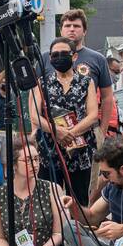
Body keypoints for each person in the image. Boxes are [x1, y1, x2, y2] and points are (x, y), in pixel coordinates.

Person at [30, 35, 99, 210]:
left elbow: (93, 115)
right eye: (54, 55)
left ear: (74, 56)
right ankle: (55, 235)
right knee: (49, 200)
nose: (59, 57)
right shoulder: (42, 82)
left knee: (79, 202)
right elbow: (34, 115)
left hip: (80, 149)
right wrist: (56, 131)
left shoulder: (86, 81)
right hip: (49, 150)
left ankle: (79, 235)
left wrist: (71, 133)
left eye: (64, 53)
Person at [46, 9, 115, 142]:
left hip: (87, 131)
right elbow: (34, 101)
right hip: (52, 134)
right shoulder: (46, 57)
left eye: (76, 26)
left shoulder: (98, 59)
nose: (72, 29)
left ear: (84, 31)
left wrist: (102, 131)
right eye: (67, 26)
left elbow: (107, 97)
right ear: (61, 30)